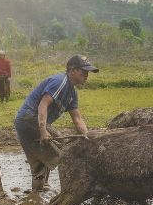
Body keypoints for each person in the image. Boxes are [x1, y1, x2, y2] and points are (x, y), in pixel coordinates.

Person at [14, 54, 97, 191]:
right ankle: (72, 188)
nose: (86, 75)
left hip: (30, 121)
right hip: (29, 119)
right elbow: (43, 105)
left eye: (87, 72)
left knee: (39, 164)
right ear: (72, 70)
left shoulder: (72, 93)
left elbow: (77, 119)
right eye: (83, 71)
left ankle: (36, 196)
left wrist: (88, 137)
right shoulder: (60, 82)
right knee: (63, 150)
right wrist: (43, 131)